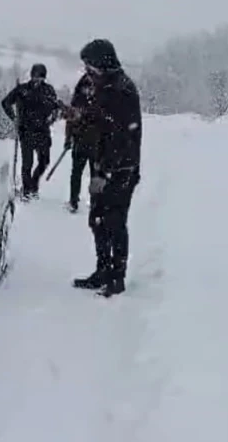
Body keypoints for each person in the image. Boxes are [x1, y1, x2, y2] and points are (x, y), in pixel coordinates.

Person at [68, 39, 142, 298]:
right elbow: (99, 120)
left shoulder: (121, 90)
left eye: (90, 66)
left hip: (121, 171)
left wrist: (103, 174)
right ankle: (102, 270)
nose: (87, 72)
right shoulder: (105, 86)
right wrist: (79, 117)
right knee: (97, 221)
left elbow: (120, 138)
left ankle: (116, 277)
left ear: (102, 63)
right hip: (104, 165)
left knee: (114, 222)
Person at [1, 63, 59, 200]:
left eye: (41, 77)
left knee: (44, 161)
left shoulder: (49, 90)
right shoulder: (22, 90)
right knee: (27, 163)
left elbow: (55, 107)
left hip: (43, 132)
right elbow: (6, 103)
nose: (38, 79)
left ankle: (33, 183)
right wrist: (14, 118)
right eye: (36, 76)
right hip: (26, 130)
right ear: (32, 76)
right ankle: (27, 191)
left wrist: (53, 118)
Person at [64, 74, 97, 213]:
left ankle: (76, 201)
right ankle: (82, 201)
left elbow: (70, 121)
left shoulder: (79, 99)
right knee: (88, 173)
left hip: (88, 142)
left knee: (81, 173)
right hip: (89, 142)